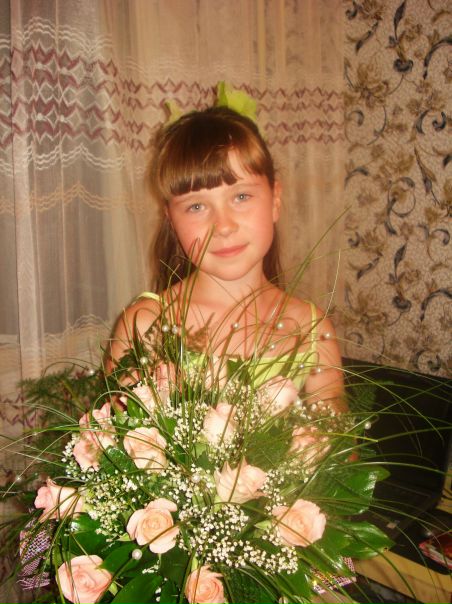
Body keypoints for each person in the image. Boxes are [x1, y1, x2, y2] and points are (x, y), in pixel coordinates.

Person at [107, 105, 347, 413]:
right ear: (170, 219)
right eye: (196, 207)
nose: (223, 226)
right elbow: (118, 434)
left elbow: (338, 438)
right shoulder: (145, 325)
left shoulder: (311, 329)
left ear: (275, 199)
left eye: (241, 197)